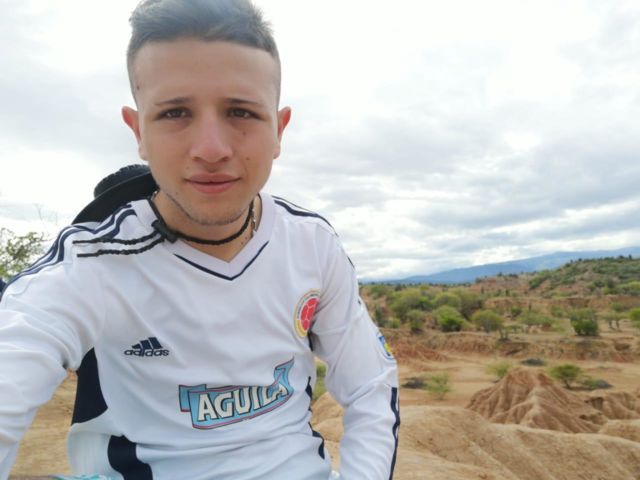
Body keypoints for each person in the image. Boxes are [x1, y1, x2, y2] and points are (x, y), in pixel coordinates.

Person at [0, 0, 399, 479]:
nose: (211, 149)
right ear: (138, 131)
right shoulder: (91, 263)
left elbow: (370, 386)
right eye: (175, 113)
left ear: (279, 129)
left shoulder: (312, 245)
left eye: (240, 111)